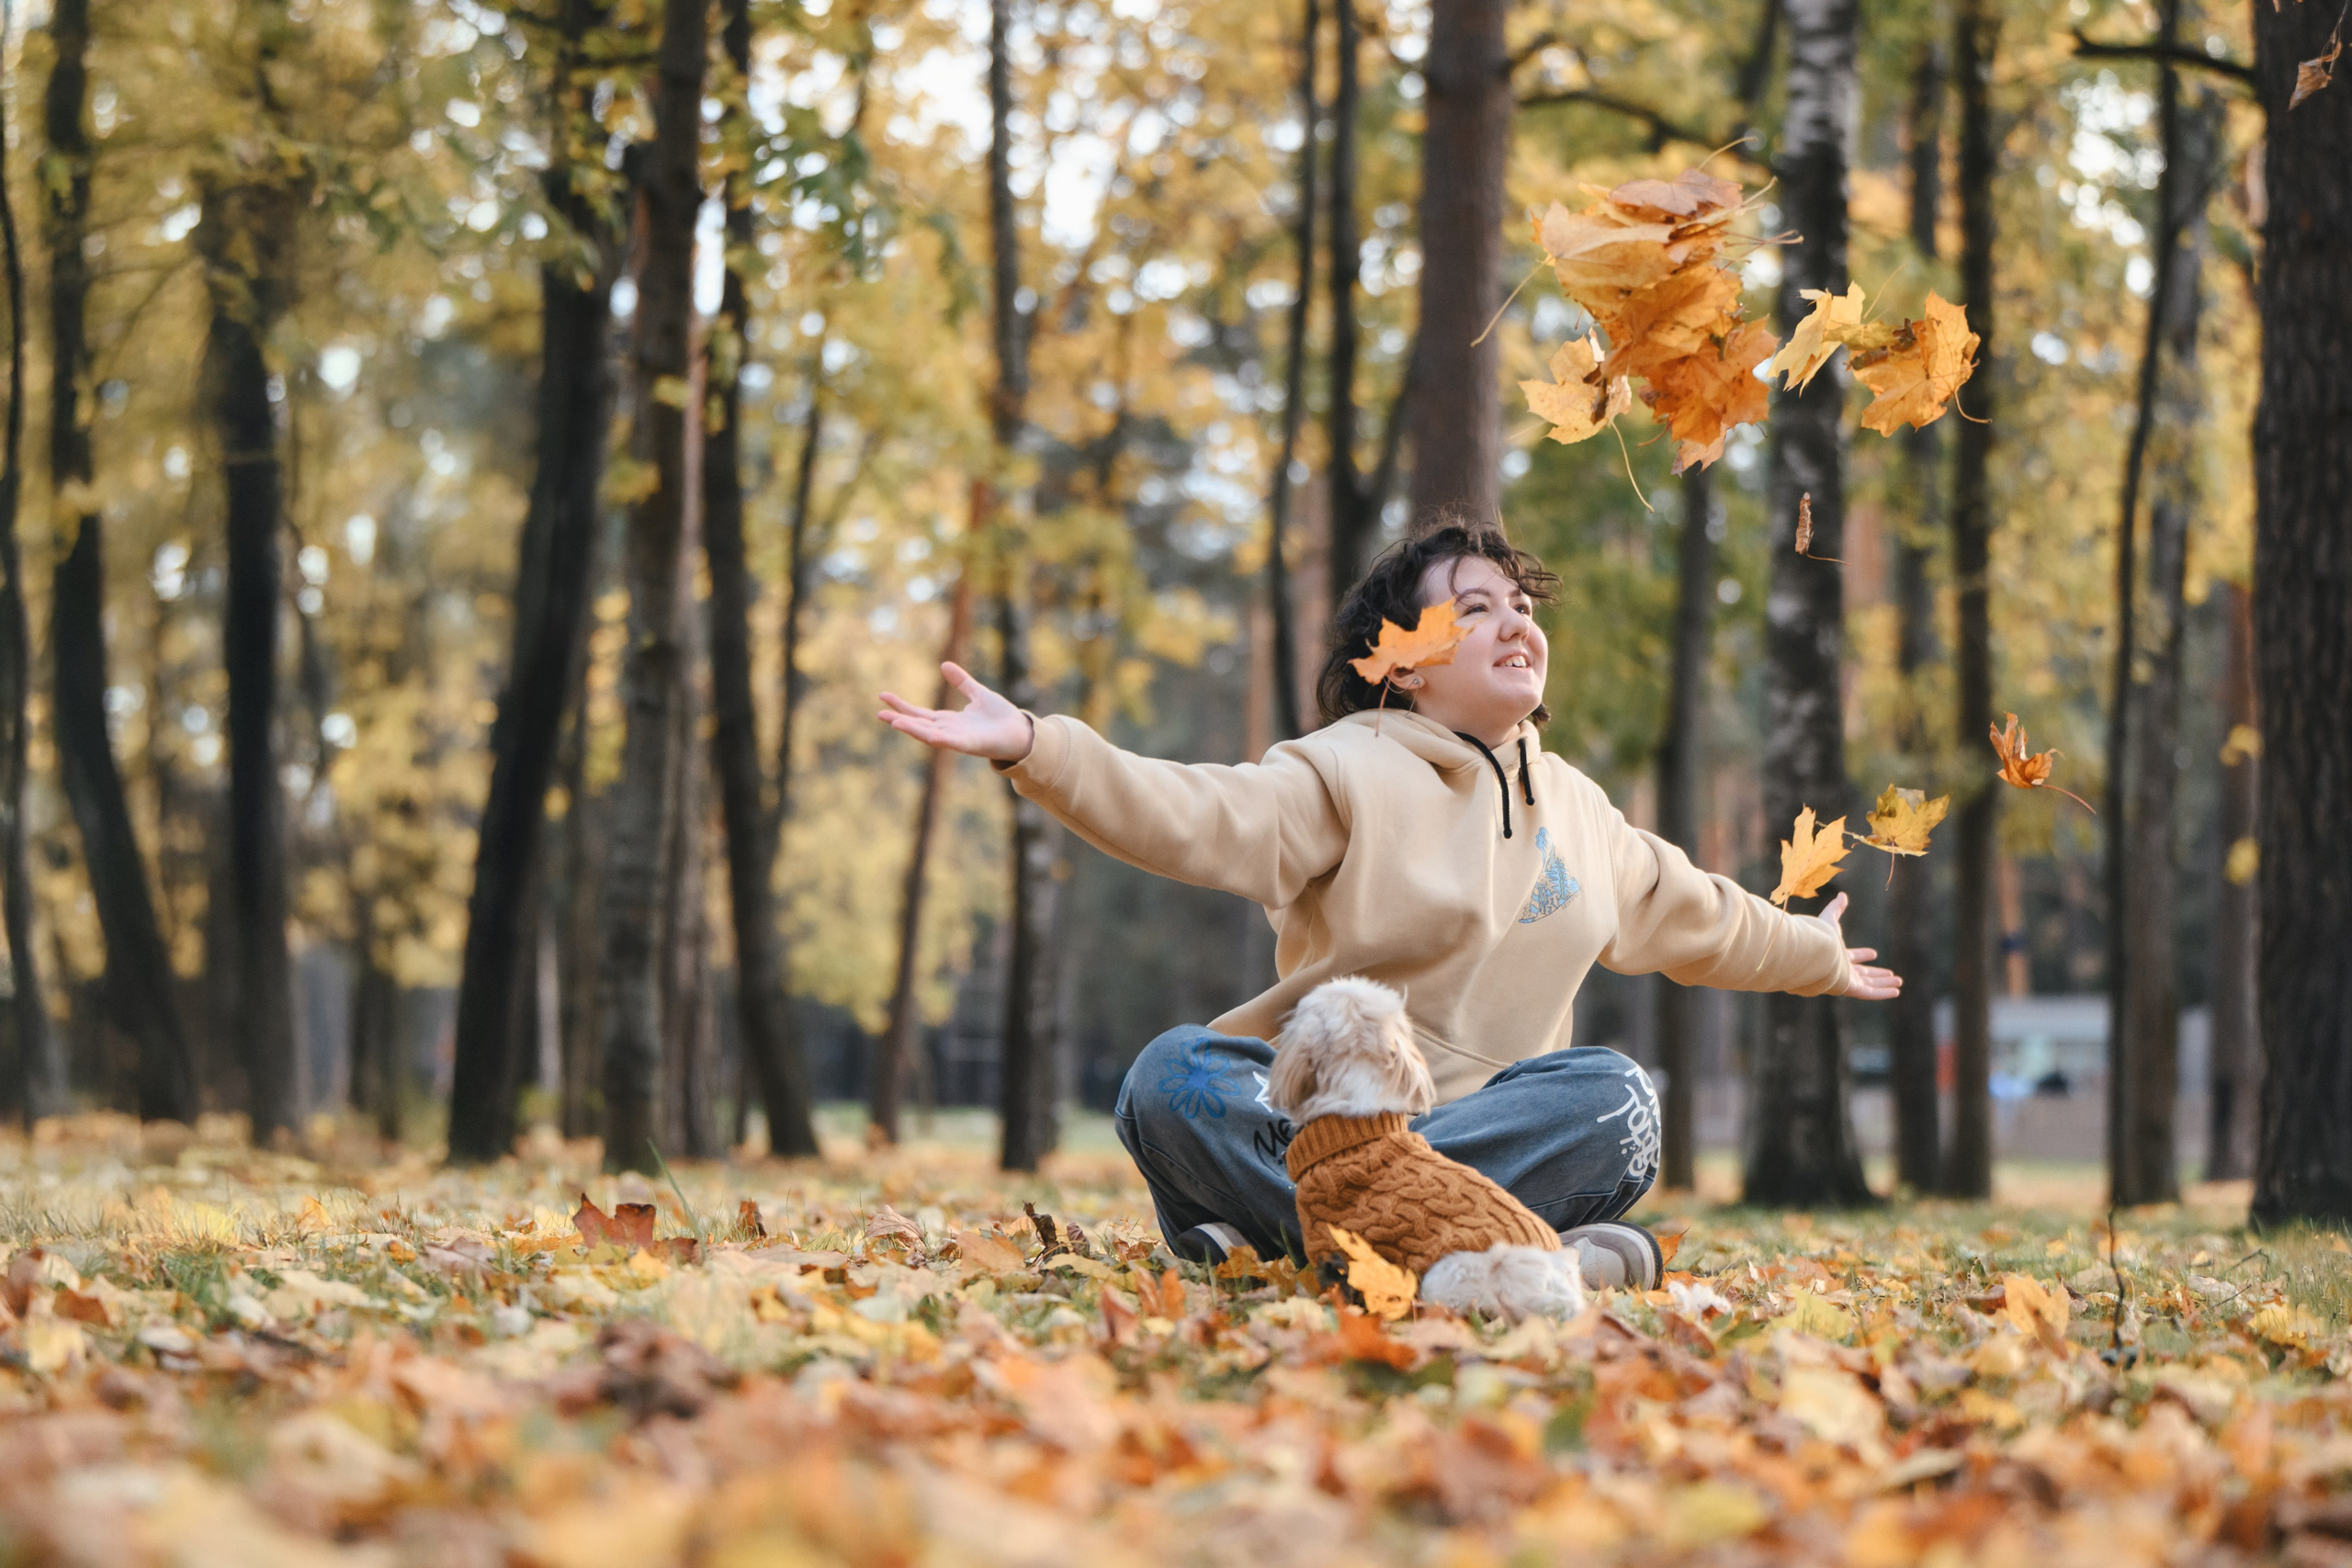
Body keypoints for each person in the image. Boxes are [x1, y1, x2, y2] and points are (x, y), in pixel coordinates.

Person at [877, 516, 1901, 1287]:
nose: (1515, 625)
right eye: (1475, 607)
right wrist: (1037, 747)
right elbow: (1196, 811)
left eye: (1522, 608)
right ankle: (1501, 1256)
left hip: (1492, 1130)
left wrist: (1813, 951)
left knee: (1620, 1101)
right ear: (1404, 661)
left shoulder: (1584, 813)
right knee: (1169, 1077)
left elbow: (1704, 915)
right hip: (1321, 1132)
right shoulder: (1344, 769)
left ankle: (1290, 1246)